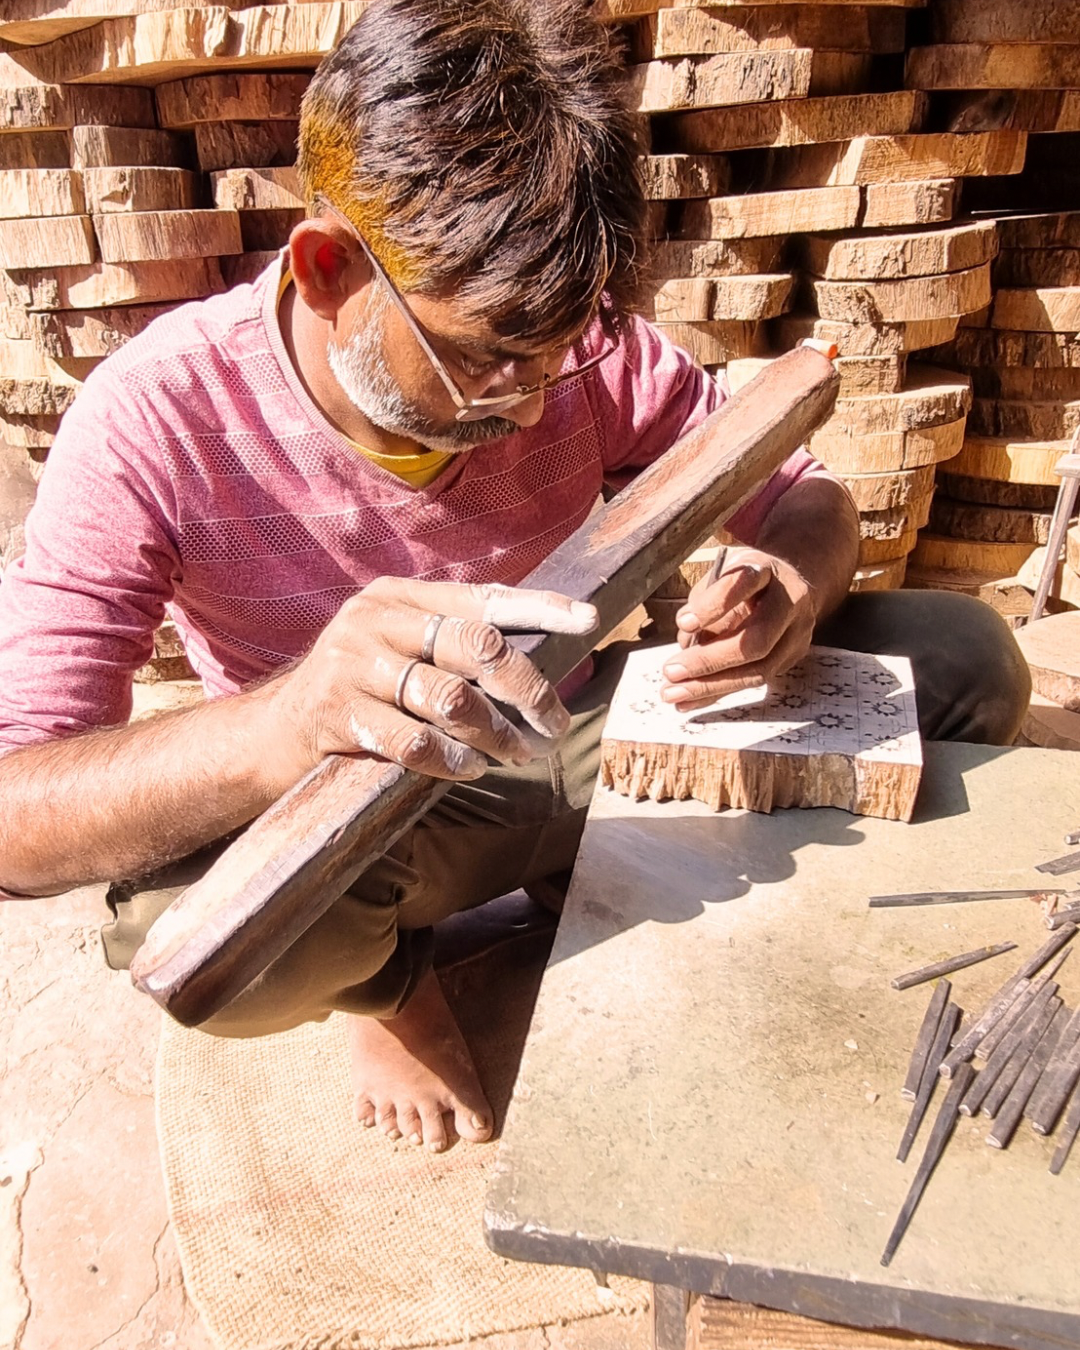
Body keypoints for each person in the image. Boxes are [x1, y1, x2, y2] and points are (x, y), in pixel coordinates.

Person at [0, 0, 1029, 1154]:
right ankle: (389, 985)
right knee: (187, 931)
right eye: (484, 358)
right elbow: (14, 816)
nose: (534, 406)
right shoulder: (154, 420)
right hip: (378, 808)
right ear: (329, 268)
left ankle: (579, 864)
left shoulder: (572, 346)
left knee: (963, 661)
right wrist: (284, 724)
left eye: (559, 355)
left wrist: (792, 575)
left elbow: (799, 485)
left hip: (584, 730)